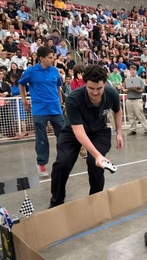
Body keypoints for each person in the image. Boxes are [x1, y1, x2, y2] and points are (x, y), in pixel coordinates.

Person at [49, 64, 123, 208]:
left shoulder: (111, 93)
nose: (95, 92)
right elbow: (79, 132)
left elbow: (117, 110)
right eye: (91, 88)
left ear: (104, 84)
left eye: (99, 88)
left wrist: (119, 132)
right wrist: (97, 154)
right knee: (62, 163)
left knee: (95, 164)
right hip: (73, 132)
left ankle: (95, 200)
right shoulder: (73, 99)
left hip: (99, 131)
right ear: (85, 83)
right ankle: (56, 202)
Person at [18, 46, 65, 177]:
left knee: (63, 136)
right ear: (41, 58)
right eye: (50, 58)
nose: (52, 59)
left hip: (55, 109)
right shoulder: (31, 71)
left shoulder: (55, 71)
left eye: (53, 57)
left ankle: (63, 160)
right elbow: (21, 84)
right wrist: (24, 101)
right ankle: (41, 164)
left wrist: (60, 102)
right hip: (39, 110)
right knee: (41, 139)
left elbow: (58, 87)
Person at [123, 65, 147, 136]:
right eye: (131, 70)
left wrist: (135, 89)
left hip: (137, 99)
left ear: (136, 71)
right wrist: (129, 89)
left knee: (140, 115)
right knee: (130, 116)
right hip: (129, 99)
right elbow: (124, 90)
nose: (132, 71)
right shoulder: (127, 79)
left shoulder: (140, 79)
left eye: (134, 70)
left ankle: (146, 129)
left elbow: (142, 90)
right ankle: (133, 129)